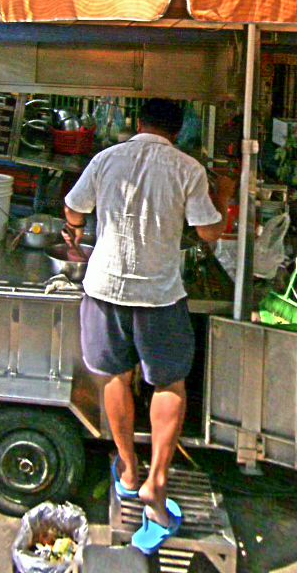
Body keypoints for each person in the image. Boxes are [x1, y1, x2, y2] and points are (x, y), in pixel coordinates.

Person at [63, 98, 228, 554]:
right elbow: (209, 232)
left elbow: (74, 209)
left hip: (105, 288)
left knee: (115, 377)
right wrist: (226, 199)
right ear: (177, 131)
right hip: (160, 295)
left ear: (139, 123)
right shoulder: (188, 169)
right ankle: (157, 483)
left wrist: (75, 228)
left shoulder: (105, 159)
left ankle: (130, 470)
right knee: (169, 384)